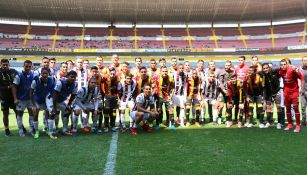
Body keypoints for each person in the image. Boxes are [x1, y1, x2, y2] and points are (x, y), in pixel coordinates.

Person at [46, 70, 77, 139]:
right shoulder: (60, 83)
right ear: (67, 76)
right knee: (52, 113)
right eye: (71, 77)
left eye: (74, 77)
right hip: (51, 99)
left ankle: (64, 129)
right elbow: (54, 96)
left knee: (67, 111)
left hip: (60, 100)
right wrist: (54, 108)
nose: (73, 78)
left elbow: (73, 95)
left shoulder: (74, 84)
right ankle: (50, 132)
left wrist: (69, 104)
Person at [30, 68, 56, 139]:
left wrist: (53, 105)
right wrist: (34, 105)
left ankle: (49, 131)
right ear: (40, 74)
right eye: (43, 73)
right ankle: (36, 131)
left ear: (49, 74)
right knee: (35, 113)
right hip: (37, 99)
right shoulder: (35, 81)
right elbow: (31, 93)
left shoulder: (52, 79)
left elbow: (53, 93)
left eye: (46, 73)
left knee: (50, 112)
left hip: (47, 98)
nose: (44, 75)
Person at [279, 59, 304, 132]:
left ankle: (298, 126)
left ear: (287, 64)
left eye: (284, 64)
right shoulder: (280, 71)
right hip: (286, 92)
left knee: (296, 108)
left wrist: (301, 89)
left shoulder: (293, 69)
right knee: (288, 108)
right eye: (281, 64)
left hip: (294, 92)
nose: (283, 66)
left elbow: (302, 78)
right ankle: (289, 124)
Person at [12, 60, 35, 137]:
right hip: (21, 100)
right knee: (19, 115)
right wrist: (15, 98)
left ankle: (31, 130)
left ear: (31, 67)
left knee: (32, 114)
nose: (28, 68)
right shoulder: (19, 75)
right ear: (23, 66)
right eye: (26, 66)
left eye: (29, 66)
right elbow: (14, 87)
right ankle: (21, 130)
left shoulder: (32, 74)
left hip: (30, 99)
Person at [0, 59, 18, 136]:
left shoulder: (13, 71)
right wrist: (8, 87)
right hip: (4, 97)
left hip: (14, 97)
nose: (5, 66)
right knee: (5, 114)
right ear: (0, 64)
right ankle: (7, 129)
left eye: (6, 64)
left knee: (18, 112)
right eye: (3, 65)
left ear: (9, 64)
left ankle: (21, 126)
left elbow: (18, 80)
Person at [262, 63, 284, 129]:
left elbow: (280, 68)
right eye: (264, 68)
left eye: (267, 68)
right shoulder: (263, 76)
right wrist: (264, 97)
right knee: (269, 108)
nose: (265, 69)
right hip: (268, 94)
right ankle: (269, 122)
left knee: (279, 107)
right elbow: (264, 87)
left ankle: (279, 123)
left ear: (269, 68)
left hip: (277, 92)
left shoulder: (275, 73)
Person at [101, 67, 121, 132]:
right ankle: (106, 126)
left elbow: (118, 90)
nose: (112, 75)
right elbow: (100, 84)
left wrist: (118, 98)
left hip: (114, 97)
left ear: (115, 73)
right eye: (111, 74)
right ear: (109, 73)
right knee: (106, 111)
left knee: (113, 112)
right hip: (107, 96)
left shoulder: (117, 79)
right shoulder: (105, 78)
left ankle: (112, 125)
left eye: (113, 74)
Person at [300, 56, 307, 127]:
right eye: (304, 60)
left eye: (306, 60)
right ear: (302, 61)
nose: (305, 61)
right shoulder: (300, 70)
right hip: (302, 92)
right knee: (303, 107)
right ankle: (304, 122)